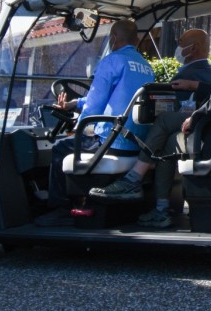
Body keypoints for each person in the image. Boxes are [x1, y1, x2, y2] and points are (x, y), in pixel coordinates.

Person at [94, 6, 211, 228]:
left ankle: (134, 182)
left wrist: (195, 117)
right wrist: (198, 88)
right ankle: (160, 208)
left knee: (164, 122)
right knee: (169, 141)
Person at [88, 28, 211, 227]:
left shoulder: (189, 75)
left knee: (163, 130)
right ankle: (160, 207)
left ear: (194, 48)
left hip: (191, 131)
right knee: (164, 142)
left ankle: (136, 184)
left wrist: (83, 123)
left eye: (181, 43)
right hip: (192, 131)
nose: (178, 47)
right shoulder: (209, 73)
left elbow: (168, 110)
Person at [35, 19, 154, 226]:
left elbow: (94, 105)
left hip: (112, 139)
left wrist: (78, 128)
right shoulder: (145, 66)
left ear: (114, 38)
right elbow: (114, 97)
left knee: (61, 148)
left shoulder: (111, 61)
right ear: (135, 40)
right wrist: (74, 104)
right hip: (136, 140)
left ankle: (60, 208)